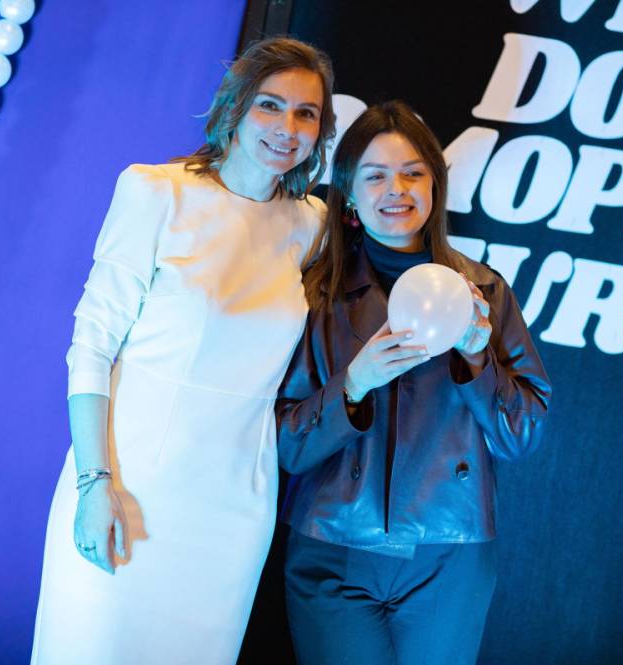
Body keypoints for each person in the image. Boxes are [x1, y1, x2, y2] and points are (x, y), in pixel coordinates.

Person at [30, 37, 336, 665]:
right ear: (235, 108)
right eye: (270, 105)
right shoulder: (155, 192)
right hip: (128, 485)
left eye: (306, 113)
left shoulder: (311, 224)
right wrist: (94, 484)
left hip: (234, 509)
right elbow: (91, 347)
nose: (287, 127)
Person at [275, 101, 552, 665]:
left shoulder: (485, 293)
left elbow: (521, 434)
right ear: (349, 196)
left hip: (450, 552)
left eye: (412, 173)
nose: (395, 190)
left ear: (434, 186)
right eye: (375, 176)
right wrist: (353, 385)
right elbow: (286, 445)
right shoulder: (315, 294)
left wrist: (476, 359)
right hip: (333, 546)